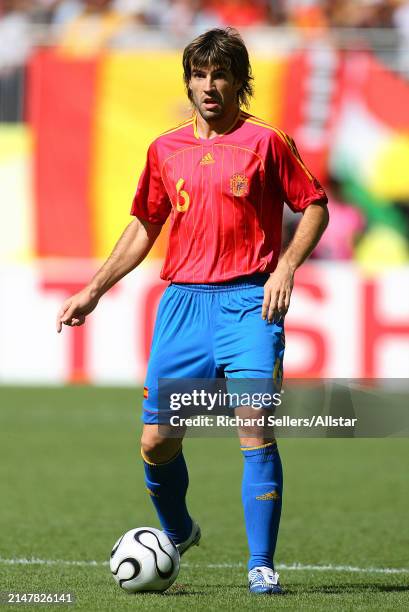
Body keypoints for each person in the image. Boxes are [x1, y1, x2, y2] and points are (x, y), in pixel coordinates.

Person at [56, 27, 329, 595]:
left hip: (250, 303)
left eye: (221, 75)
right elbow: (144, 225)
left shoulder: (266, 142)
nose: (210, 86)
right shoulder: (165, 149)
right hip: (183, 306)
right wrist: (95, 288)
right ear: (188, 81)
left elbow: (315, 207)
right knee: (157, 443)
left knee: (253, 430)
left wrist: (285, 269)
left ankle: (261, 566)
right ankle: (179, 531)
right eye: (200, 75)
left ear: (239, 82)